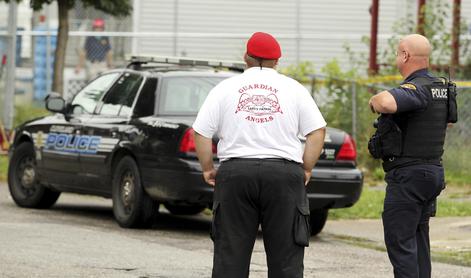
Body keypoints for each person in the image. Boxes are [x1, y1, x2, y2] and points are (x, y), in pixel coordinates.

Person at [193, 32, 326, 278]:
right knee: (286, 256)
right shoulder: (293, 88)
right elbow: (317, 131)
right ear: (277, 61)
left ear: (246, 58)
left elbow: (201, 132)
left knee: (230, 254)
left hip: (236, 173)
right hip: (284, 174)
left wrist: (207, 168)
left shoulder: (225, 88)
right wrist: (306, 168)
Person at [368, 34, 456, 278]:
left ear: (405, 55)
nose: (397, 58)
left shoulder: (416, 88)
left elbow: (386, 102)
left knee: (401, 243)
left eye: (397, 53)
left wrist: (373, 101)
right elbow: (445, 123)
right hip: (431, 173)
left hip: (409, 177)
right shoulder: (440, 88)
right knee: (418, 242)